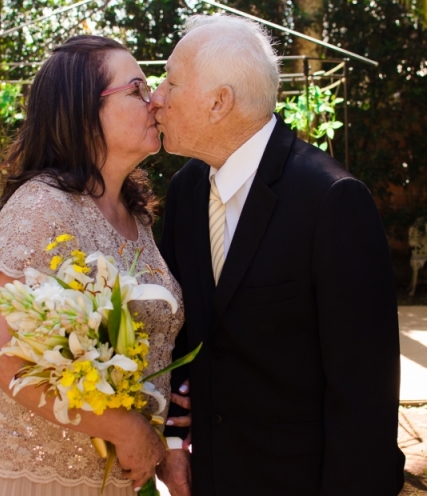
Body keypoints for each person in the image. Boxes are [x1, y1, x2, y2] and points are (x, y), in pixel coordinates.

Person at [153, 15, 405, 496]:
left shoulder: (332, 200)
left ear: (218, 102)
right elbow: (181, 333)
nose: (157, 97)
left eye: (170, 81)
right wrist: (173, 439)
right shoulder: (185, 191)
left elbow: (364, 393)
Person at [0, 35, 185, 496]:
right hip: (23, 476)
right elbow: (4, 356)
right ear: (83, 110)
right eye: (135, 89)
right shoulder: (41, 208)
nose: (154, 101)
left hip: (108, 481)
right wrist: (128, 431)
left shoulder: (137, 216)